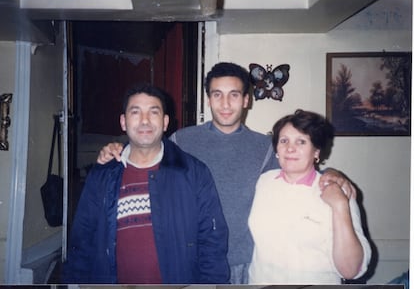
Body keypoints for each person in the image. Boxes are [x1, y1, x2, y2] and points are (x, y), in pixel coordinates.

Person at [96, 62, 356, 284]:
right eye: (217, 94)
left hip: (248, 263)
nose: (225, 103)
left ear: (246, 100)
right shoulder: (181, 140)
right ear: (208, 98)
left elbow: (302, 173)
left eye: (234, 95)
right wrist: (117, 150)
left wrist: (333, 172)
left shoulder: (268, 147)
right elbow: (144, 155)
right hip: (194, 261)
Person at [62, 84, 230, 284]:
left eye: (153, 112)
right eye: (135, 112)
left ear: (165, 122)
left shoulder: (194, 173)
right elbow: (82, 241)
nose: (144, 120)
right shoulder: (102, 175)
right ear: (123, 122)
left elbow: (212, 243)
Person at [248, 109, 371, 284]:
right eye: (284, 141)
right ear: (276, 148)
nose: (290, 148)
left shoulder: (338, 191)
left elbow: (351, 270)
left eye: (301, 141)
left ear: (316, 152)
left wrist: (340, 206)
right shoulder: (264, 182)